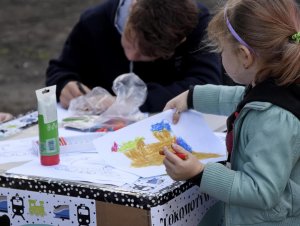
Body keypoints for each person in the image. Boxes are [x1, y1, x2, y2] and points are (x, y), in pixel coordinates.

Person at [162, 0, 300, 225]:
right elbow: (243, 99)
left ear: (245, 56)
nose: (220, 57)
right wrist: (192, 96)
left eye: (221, 51)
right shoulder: (277, 82)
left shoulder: (274, 119)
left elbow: (261, 191)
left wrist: (199, 172)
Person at [45, 0, 222, 113]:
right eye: (129, 39)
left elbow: (206, 85)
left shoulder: (195, 25)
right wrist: (64, 84)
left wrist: (131, 102)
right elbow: (59, 70)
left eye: (148, 54)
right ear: (132, 7)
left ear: (180, 42)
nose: (130, 55)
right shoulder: (94, 21)